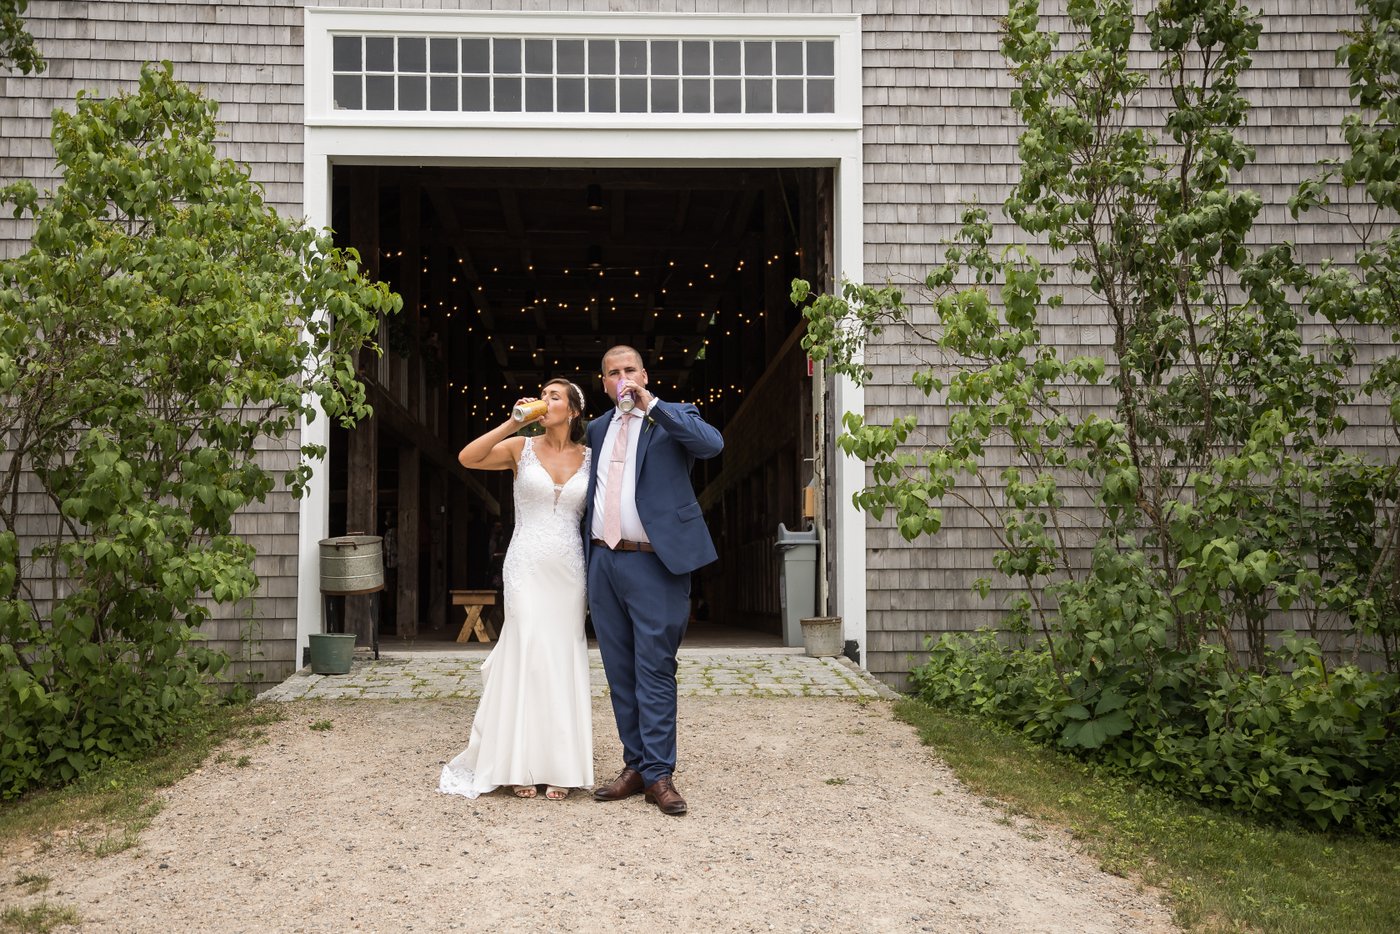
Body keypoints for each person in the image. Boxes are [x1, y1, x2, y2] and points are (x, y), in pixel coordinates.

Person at [584, 345, 724, 816]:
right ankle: (636, 766)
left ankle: (661, 774)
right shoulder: (596, 429)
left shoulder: (675, 416)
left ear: (643, 374)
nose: (622, 377)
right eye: (613, 373)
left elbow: (712, 446)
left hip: (655, 565)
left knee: (655, 670)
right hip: (605, 563)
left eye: (629, 370)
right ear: (603, 383)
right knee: (620, 672)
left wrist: (654, 406)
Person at [438, 379, 594, 801]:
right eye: (543, 395)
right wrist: (512, 422)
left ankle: (561, 764)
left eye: (554, 396)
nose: (545, 401)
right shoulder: (520, 448)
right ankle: (514, 762)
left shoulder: (591, 459)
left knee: (561, 655)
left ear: (574, 411)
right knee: (525, 650)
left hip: (568, 568)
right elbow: (468, 458)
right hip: (525, 563)